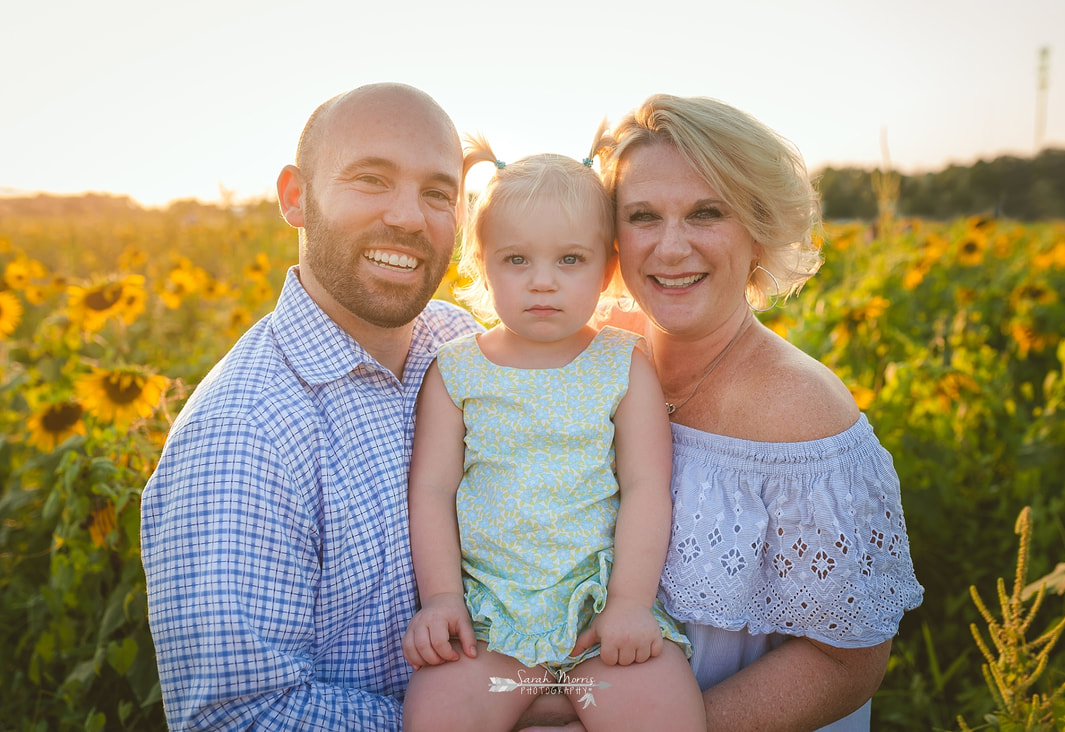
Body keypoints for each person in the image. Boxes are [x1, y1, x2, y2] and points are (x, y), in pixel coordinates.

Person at [140, 83, 481, 730]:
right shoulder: (244, 434)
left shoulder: (457, 341)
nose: (410, 217)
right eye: (372, 179)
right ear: (296, 198)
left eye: (438, 192)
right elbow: (238, 717)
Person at [593, 94, 925, 730]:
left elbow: (845, 663)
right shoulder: (593, 356)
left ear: (758, 228)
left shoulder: (802, 413)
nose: (669, 248)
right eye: (642, 216)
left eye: (706, 213)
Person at [399, 136, 706, 732]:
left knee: (665, 714)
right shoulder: (455, 368)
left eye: (570, 259)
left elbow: (647, 486)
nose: (543, 282)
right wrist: (441, 600)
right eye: (517, 260)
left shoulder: (624, 362)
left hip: (599, 615)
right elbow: (432, 490)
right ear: (482, 264)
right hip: (488, 620)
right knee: (438, 714)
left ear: (608, 266)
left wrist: (629, 604)